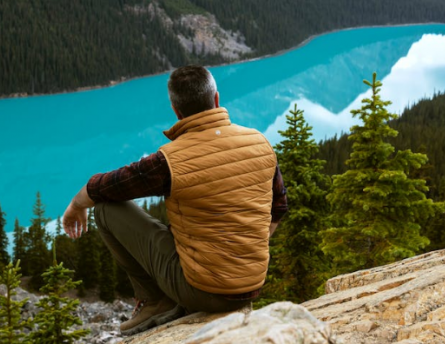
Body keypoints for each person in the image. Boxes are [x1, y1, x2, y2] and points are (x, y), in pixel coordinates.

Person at [60, 65, 287, 335]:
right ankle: (172, 299)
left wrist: (75, 206)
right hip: (252, 286)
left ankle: (154, 301)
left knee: (106, 210)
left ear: (176, 110)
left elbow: (107, 186)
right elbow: (279, 208)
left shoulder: (169, 161)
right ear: (216, 99)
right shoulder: (259, 142)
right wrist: (242, 254)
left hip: (201, 291)